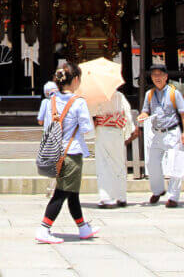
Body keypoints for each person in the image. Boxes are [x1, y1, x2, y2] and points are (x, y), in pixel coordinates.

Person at [35, 63, 95, 244]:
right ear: (75, 80)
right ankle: (44, 228)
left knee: (72, 191)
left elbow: (46, 126)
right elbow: (88, 130)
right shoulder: (78, 102)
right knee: (62, 192)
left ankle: (83, 227)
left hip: (54, 151)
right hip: (72, 151)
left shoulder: (50, 101)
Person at [137, 64, 184, 207]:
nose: (157, 78)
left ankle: (173, 196)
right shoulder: (149, 94)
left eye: (160, 75)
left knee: (175, 164)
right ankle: (158, 190)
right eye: (154, 75)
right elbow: (145, 111)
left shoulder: (174, 93)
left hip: (172, 132)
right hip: (156, 133)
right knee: (152, 163)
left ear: (166, 77)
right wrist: (142, 116)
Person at [92, 90, 136, 208]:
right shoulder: (119, 96)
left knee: (104, 164)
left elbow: (92, 115)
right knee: (119, 164)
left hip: (103, 131)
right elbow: (127, 114)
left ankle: (106, 198)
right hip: (117, 131)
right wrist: (128, 130)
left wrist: (92, 124)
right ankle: (121, 196)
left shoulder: (97, 97)